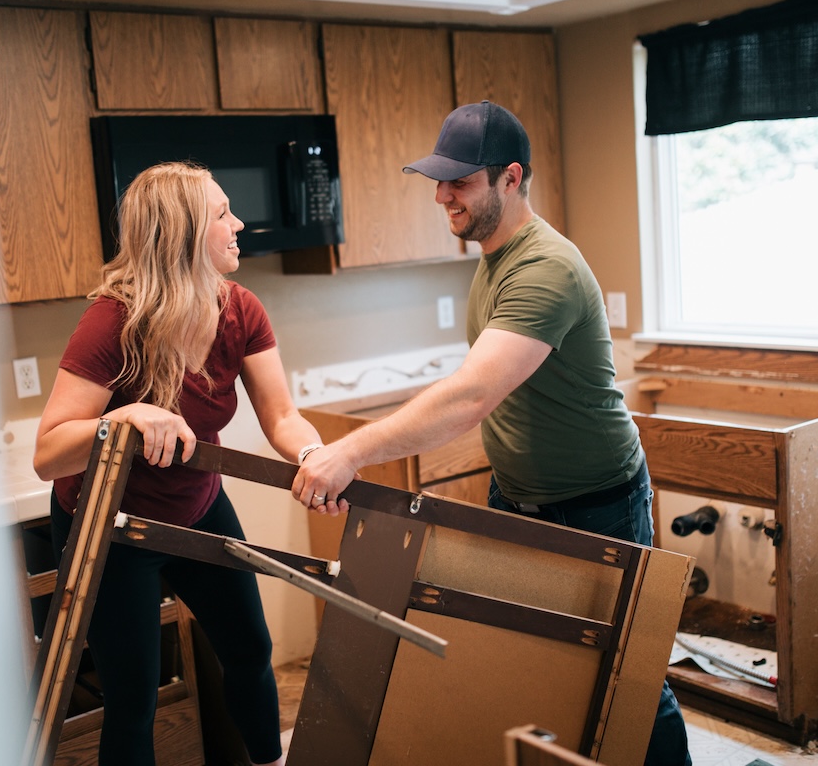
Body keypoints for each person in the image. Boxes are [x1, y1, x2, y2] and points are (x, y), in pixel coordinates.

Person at [290, 100, 692, 765]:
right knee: (535, 669)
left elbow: (472, 395)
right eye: (438, 181)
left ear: (511, 178)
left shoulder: (546, 268)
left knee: (631, 680)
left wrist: (350, 451)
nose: (443, 195)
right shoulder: (492, 256)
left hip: (597, 505)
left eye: (460, 181)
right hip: (521, 498)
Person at [34, 162, 327, 766]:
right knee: (133, 697)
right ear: (184, 235)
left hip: (197, 506)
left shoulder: (240, 309)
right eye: (223, 213)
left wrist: (315, 455)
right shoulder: (111, 323)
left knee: (249, 650)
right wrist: (125, 418)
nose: (238, 223)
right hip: (110, 527)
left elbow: (281, 417)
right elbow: (48, 452)